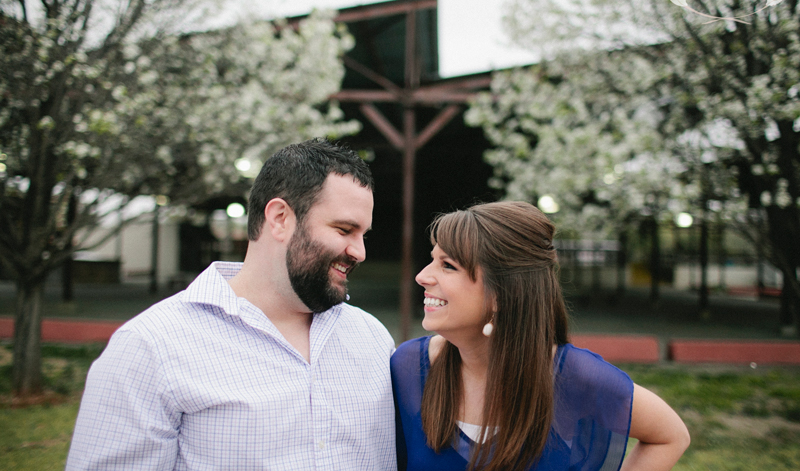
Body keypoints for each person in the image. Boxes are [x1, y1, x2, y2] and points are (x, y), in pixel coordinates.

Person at [67, 139, 396, 470]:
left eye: (363, 235)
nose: (360, 252)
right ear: (280, 218)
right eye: (344, 230)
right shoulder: (149, 347)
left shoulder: (373, 340)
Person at [391, 201, 690, 471]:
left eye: (448, 265)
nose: (423, 276)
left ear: (502, 294)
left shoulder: (574, 375)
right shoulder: (407, 368)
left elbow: (670, 436)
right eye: (433, 260)